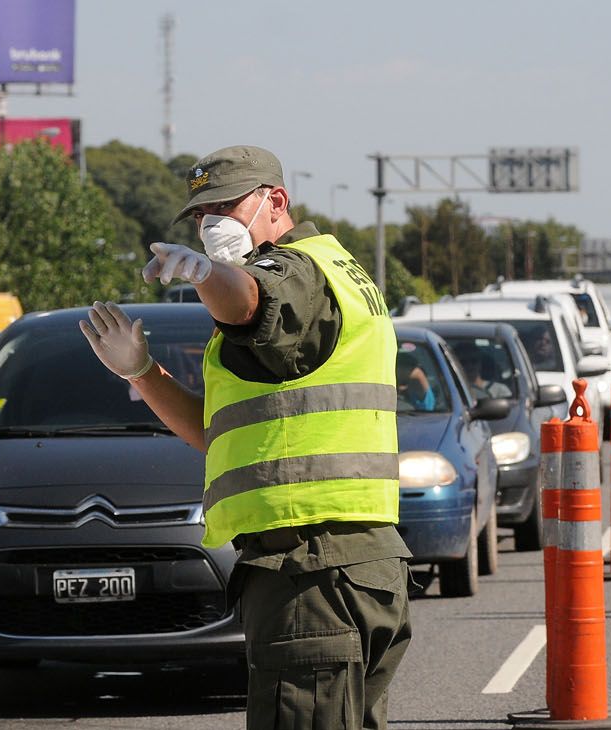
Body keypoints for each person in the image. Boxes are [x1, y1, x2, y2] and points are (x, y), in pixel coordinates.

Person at [79, 145, 411, 730]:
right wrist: (141, 373)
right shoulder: (338, 274)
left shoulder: (297, 271)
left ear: (275, 201)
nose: (210, 226)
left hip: (310, 569)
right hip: (353, 563)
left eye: (225, 208)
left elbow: (252, 301)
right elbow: (219, 433)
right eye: (201, 215)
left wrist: (208, 275)